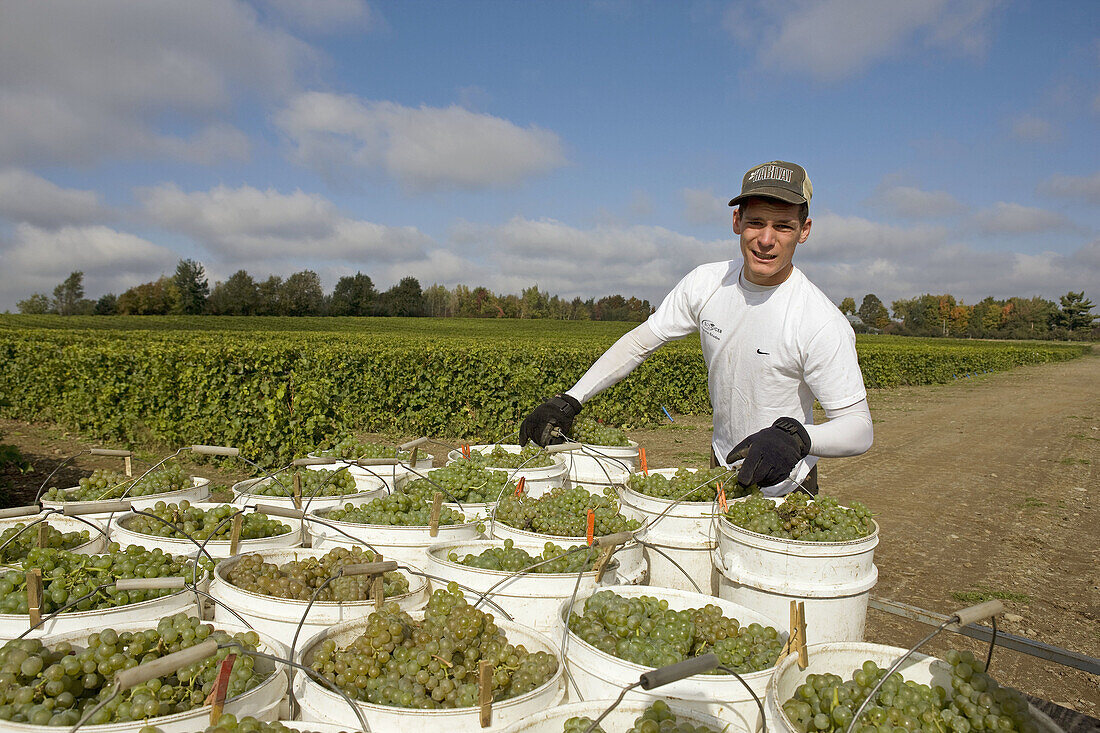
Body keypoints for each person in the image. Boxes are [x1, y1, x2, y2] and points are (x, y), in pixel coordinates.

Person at [518, 160, 872, 496]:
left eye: (783, 226)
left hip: (787, 478)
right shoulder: (706, 283)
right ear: (737, 221)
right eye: (756, 223)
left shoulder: (819, 320)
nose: (766, 239)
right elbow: (640, 342)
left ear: (804, 231)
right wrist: (570, 400)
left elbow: (859, 429)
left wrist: (797, 438)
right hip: (722, 463)